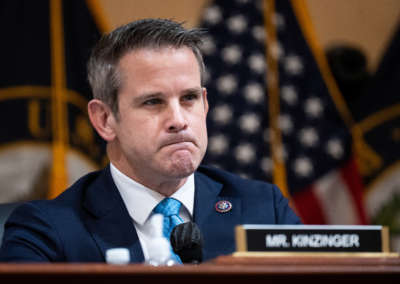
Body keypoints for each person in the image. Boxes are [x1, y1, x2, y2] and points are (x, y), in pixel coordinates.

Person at [0, 18, 301, 262]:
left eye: (189, 98)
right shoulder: (45, 232)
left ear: (205, 104)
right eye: (153, 102)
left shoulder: (264, 209)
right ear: (104, 119)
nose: (179, 120)